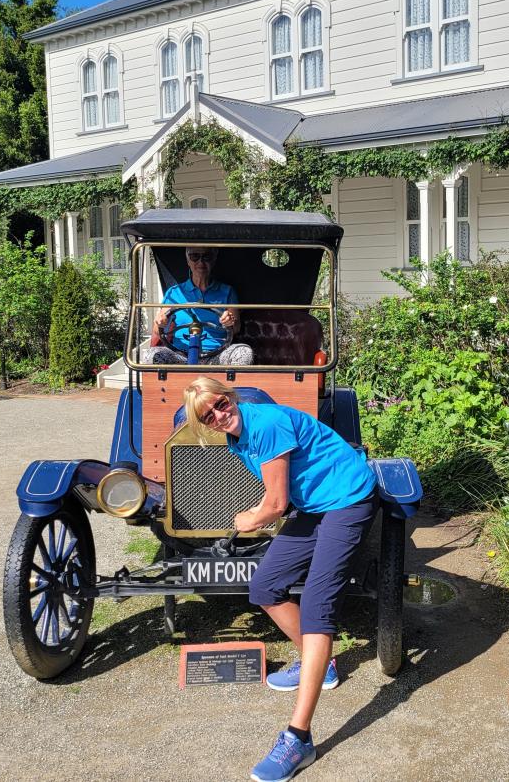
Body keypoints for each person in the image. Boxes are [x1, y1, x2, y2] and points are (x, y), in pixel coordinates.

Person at [183, 376, 378, 782]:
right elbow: (280, 489)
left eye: (220, 403)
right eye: (208, 414)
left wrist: (251, 517)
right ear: (203, 422)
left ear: (229, 395)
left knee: (317, 608)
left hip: (347, 500)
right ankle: (320, 666)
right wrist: (262, 510)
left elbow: (275, 504)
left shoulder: (265, 423)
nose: (219, 414)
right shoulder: (237, 437)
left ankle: (299, 739)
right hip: (313, 506)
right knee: (265, 588)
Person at [148, 246, 254, 365]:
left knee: (244, 352)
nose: (201, 262)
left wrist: (229, 321)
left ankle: (233, 384)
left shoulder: (227, 291)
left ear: (214, 260)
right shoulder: (174, 293)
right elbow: (158, 330)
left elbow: (236, 328)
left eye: (206, 257)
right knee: (153, 355)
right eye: (195, 257)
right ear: (188, 261)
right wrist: (161, 322)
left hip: (217, 354)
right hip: (181, 354)